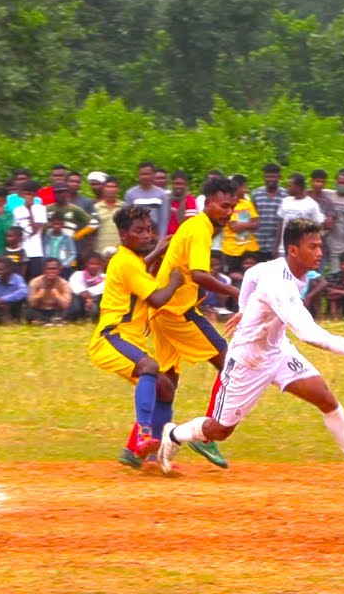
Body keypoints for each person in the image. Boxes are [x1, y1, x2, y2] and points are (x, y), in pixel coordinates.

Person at [157, 218, 344, 481]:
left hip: (278, 352)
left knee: (325, 398)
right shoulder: (280, 285)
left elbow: (251, 275)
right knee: (219, 430)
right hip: (248, 361)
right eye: (312, 247)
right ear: (293, 250)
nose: (320, 252)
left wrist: (244, 309)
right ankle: (173, 435)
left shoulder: (275, 268)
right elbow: (307, 333)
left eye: (320, 246)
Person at [151, 177, 242, 470]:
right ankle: (207, 434)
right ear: (208, 203)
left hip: (162, 311)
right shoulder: (201, 229)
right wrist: (236, 292)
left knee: (167, 383)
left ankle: (144, 446)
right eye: (223, 206)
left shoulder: (194, 226)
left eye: (232, 206)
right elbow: (200, 274)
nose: (228, 212)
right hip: (178, 312)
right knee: (230, 363)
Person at [87, 205, 186, 467]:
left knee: (165, 389)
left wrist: (158, 250)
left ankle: (139, 454)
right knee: (150, 367)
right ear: (123, 235)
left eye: (149, 230)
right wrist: (175, 281)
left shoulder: (130, 259)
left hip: (129, 340)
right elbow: (157, 298)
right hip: (112, 337)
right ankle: (144, 435)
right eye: (139, 231)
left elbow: (141, 267)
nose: (147, 235)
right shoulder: (126, 263)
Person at [274, 173, 325, 257]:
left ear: (298, 187)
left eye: (290, 186)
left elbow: (318, 228)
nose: (287, 188)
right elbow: (280, 224)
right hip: (283, 248)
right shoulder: (285, 201)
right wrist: (276, 245)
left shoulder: (312, 204)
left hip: (302, 249)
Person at [13, 181, 48, 280]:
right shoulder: (17, 210)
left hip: (35, 251)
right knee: (20, 278)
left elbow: (36, 229)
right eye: (26, 193)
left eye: (31, 193)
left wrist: (29, 210)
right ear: (22, 195)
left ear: (34, 194)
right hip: (21, 250)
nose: (28, 196)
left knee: (35, 278)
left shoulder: (41, 209)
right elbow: (16, 231)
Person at [124, 161, 170, 233]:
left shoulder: (161, 194)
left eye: (147, 174)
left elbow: (163, 219)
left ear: (153, 175)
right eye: (142, 174)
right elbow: (128, 218)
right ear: (138, 175)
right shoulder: (130, 194)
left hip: (155, 233)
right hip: (137, 233)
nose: (145, 177)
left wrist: (161, 237)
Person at [25, 257, 72, 324]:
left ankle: (46, 321)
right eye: (49, 269)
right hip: (40, 310)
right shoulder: (35, 282)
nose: (51, 271)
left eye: (54, 269)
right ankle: (48, 321)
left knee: (70, 311)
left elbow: (65, 305)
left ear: (59, 270)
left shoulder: (64, 284)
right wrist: (40, 294)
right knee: (28, 312)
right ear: (44, 271)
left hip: (56, 310)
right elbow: (32, 304)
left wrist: (56, 294)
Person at [68, 253, 105, 322]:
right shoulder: (77, 274)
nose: (94, 266)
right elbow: (75, 288)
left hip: (96, 301)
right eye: (91, 263)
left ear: (101, 265)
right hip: (80, 300)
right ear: (86, 264)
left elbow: (100, 289)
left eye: (97, 264)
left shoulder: (105, 277)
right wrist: (87, 298)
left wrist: (89, 297)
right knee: (74, 298)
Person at [94, 176, 124, 255]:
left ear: (118, 189)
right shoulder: (96, 207)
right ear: (104, 188)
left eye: (113, 187)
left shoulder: (124, 207)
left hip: (120, 250)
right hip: (100, 251)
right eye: (108, 187)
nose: (111, 189)